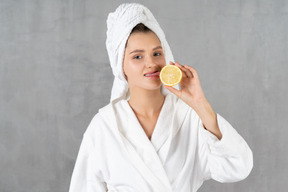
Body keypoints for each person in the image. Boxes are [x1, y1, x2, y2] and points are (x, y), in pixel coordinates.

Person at [69, 3, 253, 192]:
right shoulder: (105, 125)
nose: (152, 64)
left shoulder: (189, 117)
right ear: (120, 65)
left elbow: (237, 167)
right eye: (137, 57)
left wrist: (200, 104)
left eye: (157, 53)